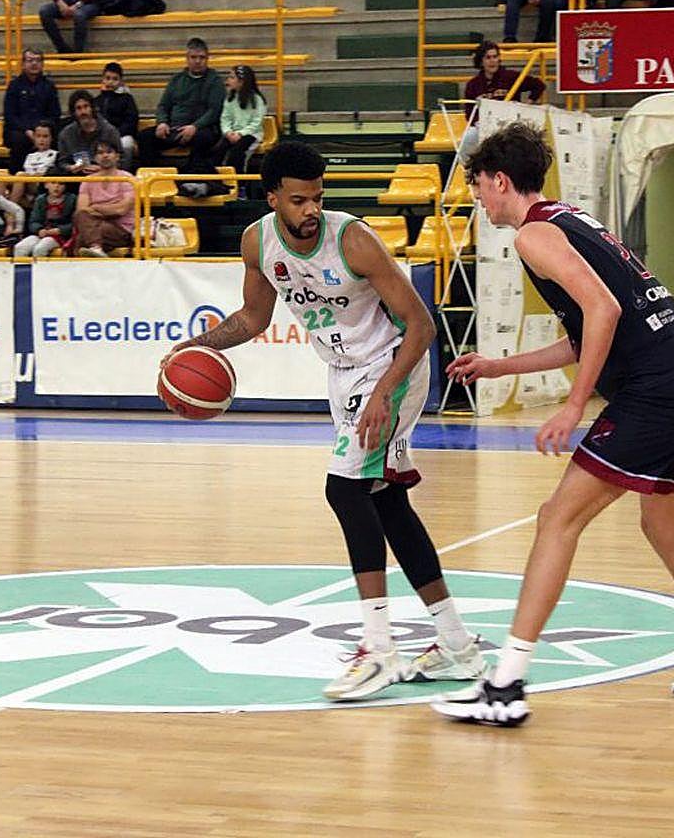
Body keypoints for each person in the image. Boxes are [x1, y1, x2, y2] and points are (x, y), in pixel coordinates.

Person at [431, 123, 674, 727]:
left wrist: (573, 405)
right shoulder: (570, 220)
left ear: (501, 181)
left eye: (480, 186)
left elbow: (604, 309)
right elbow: (586, 330)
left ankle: (505, 684)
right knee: (664, 527)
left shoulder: (534, 236)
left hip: (659, 385)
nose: (479, 198)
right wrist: (499, 365)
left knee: (556, 518)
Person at [161, 141, 487, 701]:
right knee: (387, 503)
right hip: (343, 375)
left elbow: (421, 325)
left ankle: (379, 650)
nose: (310, 209)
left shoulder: (353, 240)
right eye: (298, 200)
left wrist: (386, 392)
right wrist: (193, 348)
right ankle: (456, 644)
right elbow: (252, 318)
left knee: (344, 490)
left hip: (393, 366)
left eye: (317, 198)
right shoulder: (257, 241)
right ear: (272, 199)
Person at [179, 64, 265, 199]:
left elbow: (256, 122)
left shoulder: (257, 100)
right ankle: (217, 184)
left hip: (250, 135)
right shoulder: (229, 99)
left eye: (231, 77)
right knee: (217, 153)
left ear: (242, 81)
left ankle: (241, 187)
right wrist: (228, 132)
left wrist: (241, 134)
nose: (227, 81)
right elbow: (225, 118)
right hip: (231, 134)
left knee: (237, 154)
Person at [139, 37, 223, 167]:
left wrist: (195, 127)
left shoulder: (215, 80)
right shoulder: (176, 79)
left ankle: (191, 176)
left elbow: (214, 110)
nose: (198, 61)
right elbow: (163, 106)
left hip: (202, 129)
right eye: (193, 57)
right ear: (187, 59)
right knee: (144, 137)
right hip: (174, 127)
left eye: (202, 57)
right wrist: (162, 122)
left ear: (207, 59)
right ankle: (154, 176)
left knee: (203, 139)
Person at [458, 41, 546, 161]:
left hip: (509, 126)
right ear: (481, 61)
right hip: (484, 127)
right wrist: (482, 123)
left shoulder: (510, 77)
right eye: (488, 57)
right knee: (468, 138)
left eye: (495, 57)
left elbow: (539, 85)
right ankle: (470, 173)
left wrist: (527, 105)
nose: (492, 61)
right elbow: (469, 115)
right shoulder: (473, 85)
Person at [2, 49, 62, 172]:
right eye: (30, 60)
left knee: (56, 138)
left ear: (43, 64)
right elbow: (9, 116)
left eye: (38, 60)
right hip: (19, 130)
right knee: (19, 140)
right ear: (23, 64)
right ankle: (17, 177)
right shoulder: (14, 86)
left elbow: (55, 113)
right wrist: (28, 130)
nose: (34, 64)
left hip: (44, 129)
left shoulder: (49, 86)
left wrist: (41, 131)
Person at [73, 138, 134, 257]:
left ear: (117, 156)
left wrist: (95, 207)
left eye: (109, 152)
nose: (105, 155)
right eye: (100, 153)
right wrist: (108, 209)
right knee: (82, 222)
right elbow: (82, 210)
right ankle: (96, 248)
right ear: (95, 158)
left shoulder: (128, 179)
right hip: (94, 226)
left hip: (120, 229)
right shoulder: (88, 181)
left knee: (82, 237)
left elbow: (121, 210)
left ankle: (95, 248)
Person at [58, 89, 122, 174]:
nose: (83, 112)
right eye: (78, 108)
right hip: (77, 177)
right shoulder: (66, 134)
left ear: (92, 108)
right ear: (73, 112)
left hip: (105, 175)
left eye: (86, 106)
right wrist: (70, 168)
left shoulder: (110, 131)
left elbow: (121, 159)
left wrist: (103, 167)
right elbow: (62, 162)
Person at [14, 179, 76, 258]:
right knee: (20, 248)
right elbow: (34, 221)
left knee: (40, 249)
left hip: (60, 236)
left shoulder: (72, 199)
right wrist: (39, 229)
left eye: (61, 183)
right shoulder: (41, 199)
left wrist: (60, 230)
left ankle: (40, 270)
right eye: (53, 183)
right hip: (41, 233)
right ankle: (22, 270)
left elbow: (76, 223)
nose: (56, 186)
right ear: (46, 185)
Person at [94, 62, 139, 167]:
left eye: (115, 79)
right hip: (100, 137)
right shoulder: (96, 100)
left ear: (121, 82)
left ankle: (123, 173)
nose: (110, 82)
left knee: (127, 144)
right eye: (108, 78)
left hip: (121, 135)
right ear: (103, 79)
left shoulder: (127, 99)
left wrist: (115, 135)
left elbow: (131, 121)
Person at [9, 119, 58, 206]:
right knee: (1, 176)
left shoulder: (56, 154)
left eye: (45, 136)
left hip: (41, 185)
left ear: (52, 138)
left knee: (21, 175)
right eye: (38, 136)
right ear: (34, 137)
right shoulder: (30, 155)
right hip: (25, 184)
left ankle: (10, 210)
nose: (41, 140)